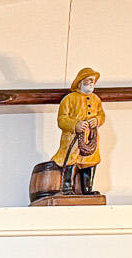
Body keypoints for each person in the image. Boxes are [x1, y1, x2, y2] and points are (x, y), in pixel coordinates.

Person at [52, 67, 105, 195]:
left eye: (93, 81)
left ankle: (87, 189)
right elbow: (62, 119)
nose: (91, 83)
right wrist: (75, 125)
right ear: (80, 82)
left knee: (91, 161)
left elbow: (101, 115)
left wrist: (97, 120)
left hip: (90, 138)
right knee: (70, 159)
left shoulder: (96, 100)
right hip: (73, 139)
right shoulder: (69, 99)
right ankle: (67, 188)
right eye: (89, 80)